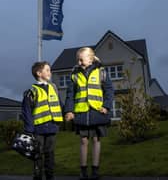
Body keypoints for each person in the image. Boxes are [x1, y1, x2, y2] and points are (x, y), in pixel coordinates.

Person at [64, 47, 114, 180]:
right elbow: (70, 94)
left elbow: (109, 91)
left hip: (98, 112)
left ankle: (95, 170)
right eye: (77, 60)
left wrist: (107, 106)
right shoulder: (74, 74)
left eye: (81, 59)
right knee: (83, 141)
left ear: (90, 59)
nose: (79, 62)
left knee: (97, 140)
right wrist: (69, 110)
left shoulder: (101, 72)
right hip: (81, 114)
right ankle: (83, 171)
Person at [22, 61, 63, 180]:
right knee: (38, 155)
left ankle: (50, 176)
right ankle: (38, 176)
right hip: (38, 129)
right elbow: (27, 111)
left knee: (50, 154)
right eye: (47, 70)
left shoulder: (53, 88)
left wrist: (68, 114)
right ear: (39, 73)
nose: (50, 72)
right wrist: (29, 129)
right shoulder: (31, 91)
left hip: (52, 127)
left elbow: (60, 104)